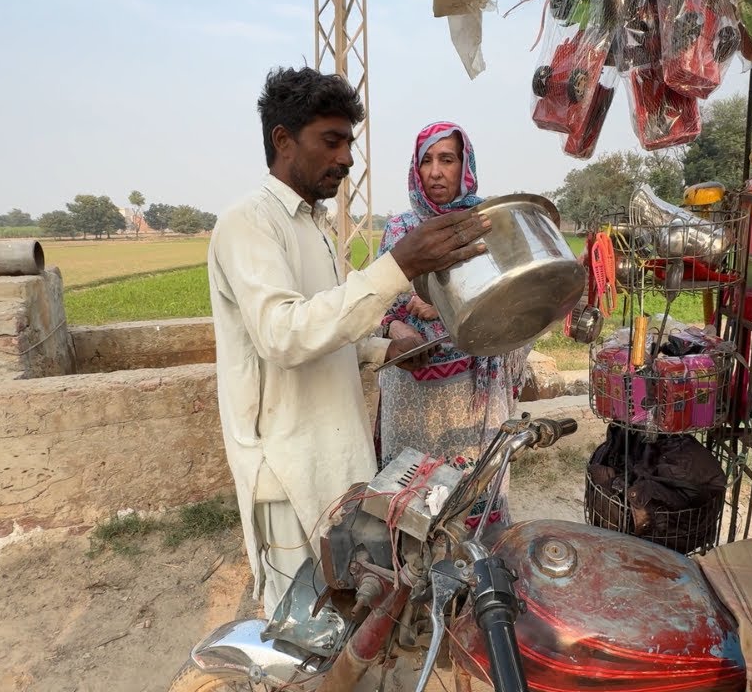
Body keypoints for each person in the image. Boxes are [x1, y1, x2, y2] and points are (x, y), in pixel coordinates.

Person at [207, 69, 491, 617]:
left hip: (335, 454)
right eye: (330, 142)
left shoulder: (313, 225)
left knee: (345, 605)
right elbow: (283, 334)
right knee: (301, 621)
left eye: (349, 143)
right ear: (282, 140)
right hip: (287, 470)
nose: (346, 159)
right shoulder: (247, 224)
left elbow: (324, 324)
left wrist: (382, 350)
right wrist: (398, 267)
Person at [375, 122, 532, 528]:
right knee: (411, 498)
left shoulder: (485, 225)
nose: (436, 171)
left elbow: (514, 301)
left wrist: (444, 310)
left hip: (472, 391)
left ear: (465, 165)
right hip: (413, 394)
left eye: (447, 159)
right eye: (426, 160)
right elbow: (377, 306)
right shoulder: (399, 230)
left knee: (475, 494)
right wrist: (397, 329)